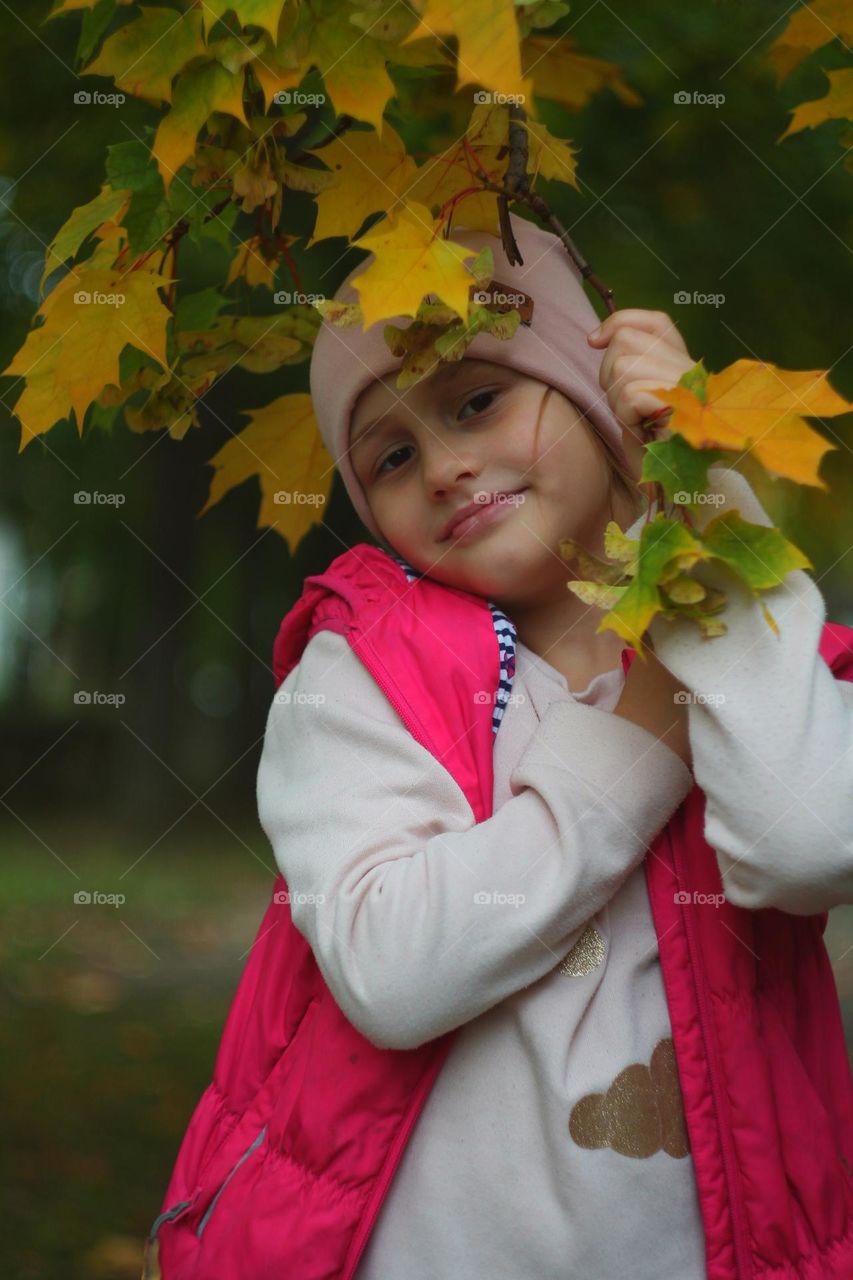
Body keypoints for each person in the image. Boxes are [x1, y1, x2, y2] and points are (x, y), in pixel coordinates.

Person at [145, 213, 853, 1279]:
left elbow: (812, 844)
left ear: (591, 392)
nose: (442, 466)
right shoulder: (363, 667)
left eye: (477, 400)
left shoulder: (753, 652)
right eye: (391, 457)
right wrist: (642, 736)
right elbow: (392, 969)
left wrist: (703, 513)